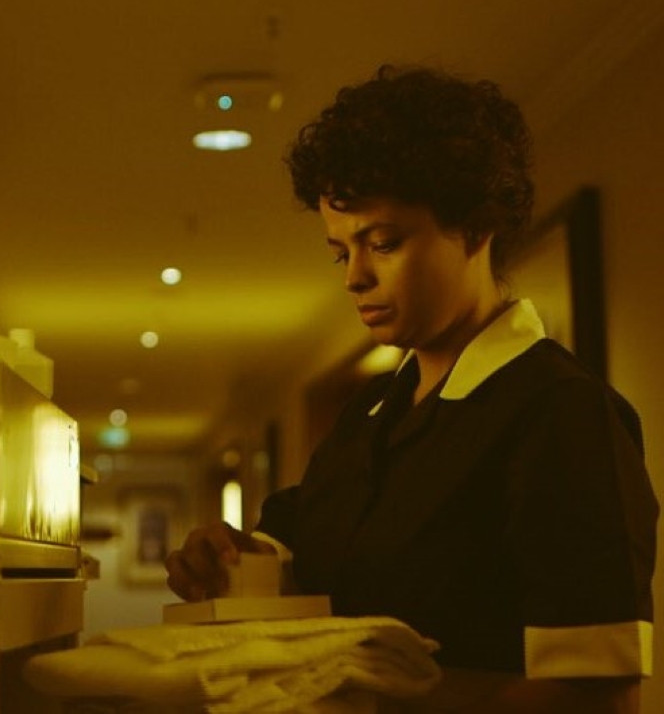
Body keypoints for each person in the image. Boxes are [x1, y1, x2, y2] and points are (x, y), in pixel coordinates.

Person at [164, 65, 657, 713]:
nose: (355, 277)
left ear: (476, 227)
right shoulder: (371, 415)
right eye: (342, 252)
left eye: (384, 243)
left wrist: (367, 692)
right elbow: (313, 557)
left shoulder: (560, 413)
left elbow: (599, 698)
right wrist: (233, 558)